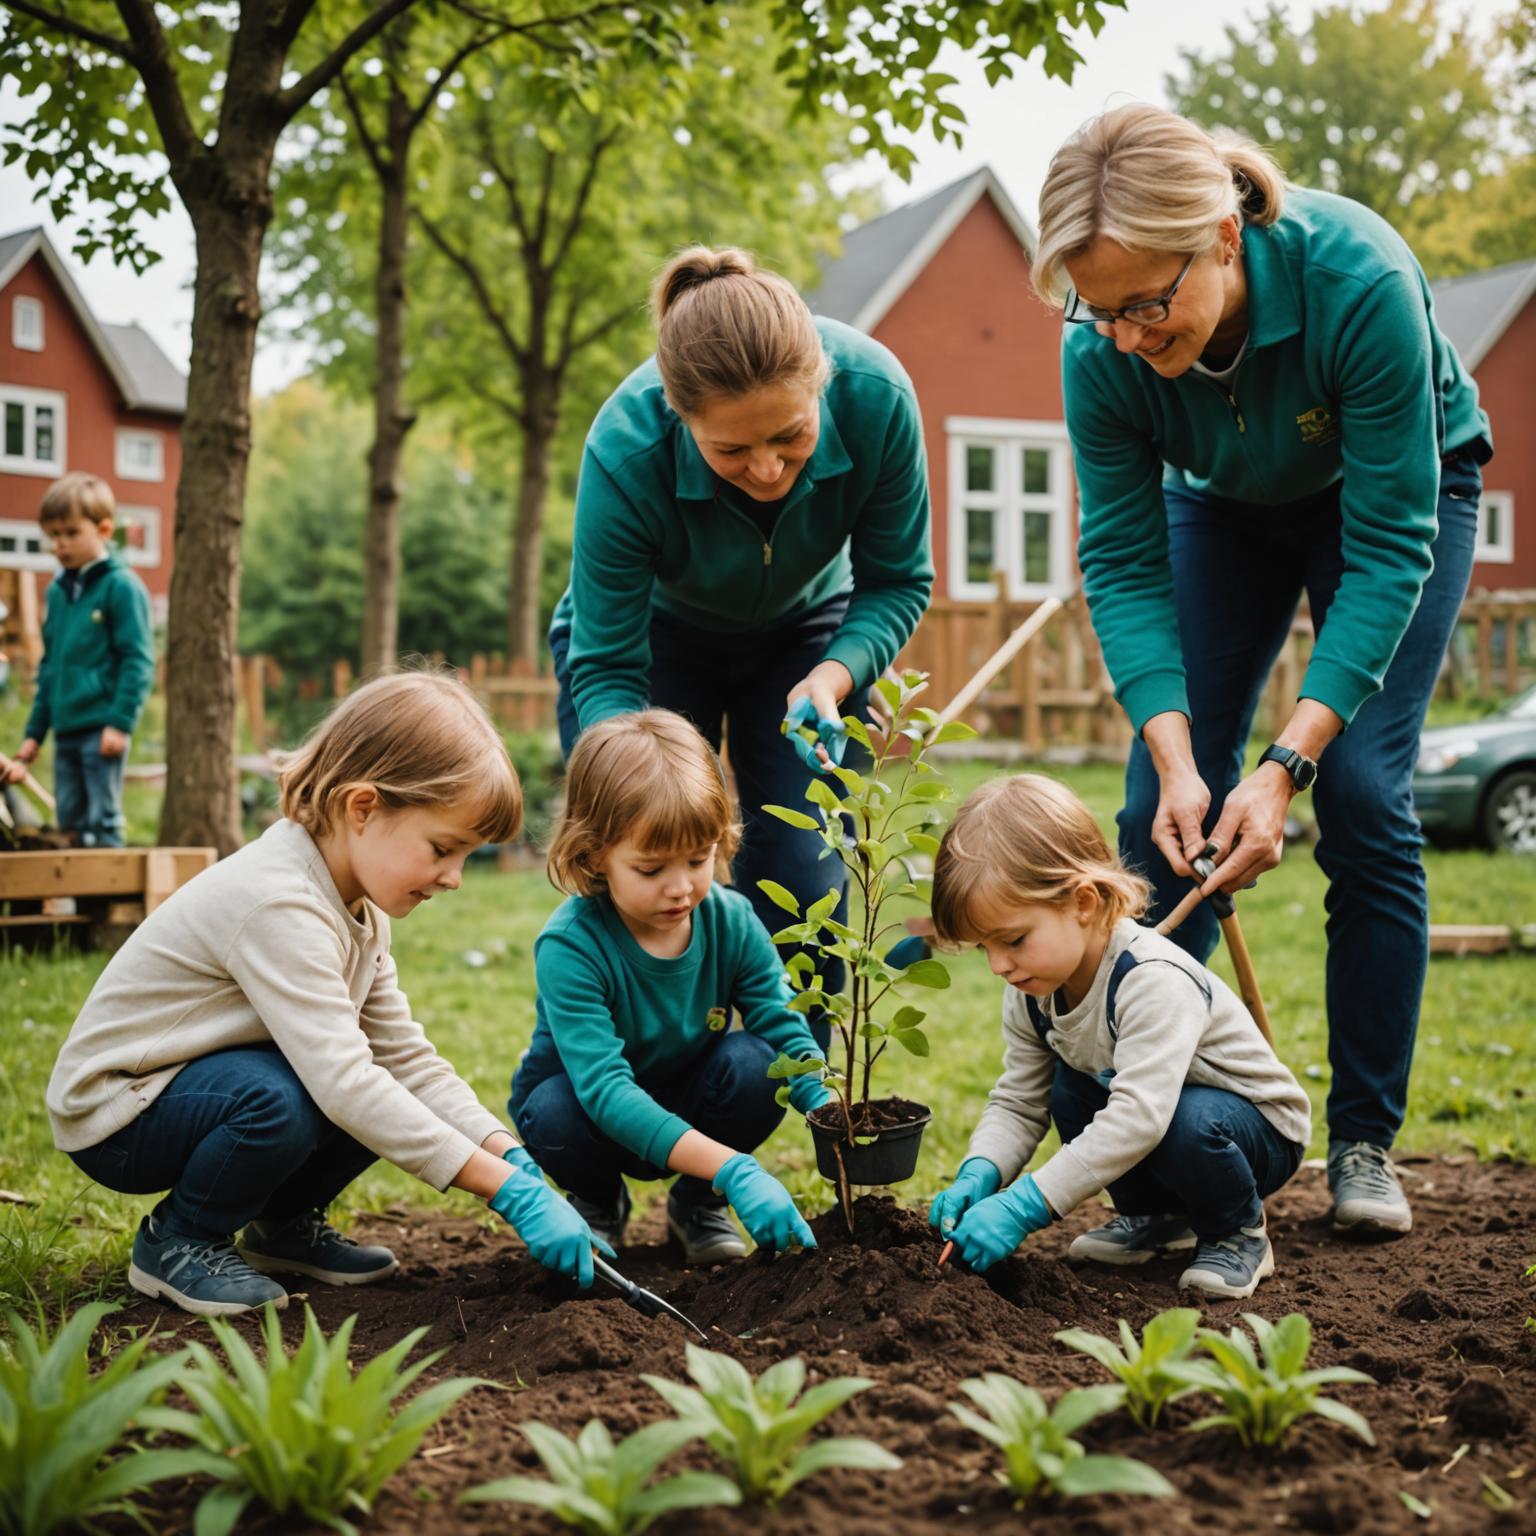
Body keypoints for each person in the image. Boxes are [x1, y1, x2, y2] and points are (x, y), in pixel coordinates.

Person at [1031, 104, 1493, 1238]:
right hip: (1221, 507)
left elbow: (1392, 547)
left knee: (1373, 797)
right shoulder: (1103, 349)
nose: (1129, 335)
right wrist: (1184, 758)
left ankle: (1364, 1143)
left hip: (1390, 504)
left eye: (1152, 302)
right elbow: (1124, 562)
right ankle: (1159, 1169)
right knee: (1154, 822)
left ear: (1224, 239)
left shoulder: (1359, 279)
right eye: (1103, 310)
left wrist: (1285, 766)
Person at [47, 672, 606, 1317]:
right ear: (362, 807)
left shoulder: (359, 909)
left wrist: (507, 1155)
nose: (454, 878)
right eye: (443, 849)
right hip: (120, 1109)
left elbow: (406, 1062)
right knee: (286, 1100)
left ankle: (281, 1227)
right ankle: (179, 1240)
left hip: (196, 1091)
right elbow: (344, 1083)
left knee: (382, 1092)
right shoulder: (280, 900)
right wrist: (504, 1193)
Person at [550, 247, 934, 1040]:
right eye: (730, 450)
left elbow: (897, 580)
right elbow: (608, 663)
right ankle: (630, 1094)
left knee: (807, 879)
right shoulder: (624, 450)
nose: (767, 469)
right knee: (645, 877)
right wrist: (632, 779)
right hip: (650, 641)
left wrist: (832, 678)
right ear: (680, 417)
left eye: (791, 436)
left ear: (822, 382)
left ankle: (779, 1091)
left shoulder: (879, 396)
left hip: (807, 635)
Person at [927, 774, 1311, 1299]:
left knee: (1180, 1120)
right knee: (1071, 1088)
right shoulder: (1032, 986)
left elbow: (1139, 1117)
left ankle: (1237, 1232)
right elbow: (1020, 1100)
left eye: (1013, 940)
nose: (997, 965)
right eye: (983, 949)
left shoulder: (1150, 979)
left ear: (1083, 902)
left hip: (1255, 1131)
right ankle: (1156, 1219)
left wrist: (1026, 1206)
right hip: (1163, 1117)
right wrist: (982, 1171)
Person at [510, 709, 832, 1265]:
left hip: (694, 1098)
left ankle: (696, 1205)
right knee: (551, 1113)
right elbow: (606, 1092)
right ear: (594, 856)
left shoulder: (731, 921)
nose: (680, 887)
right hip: (592, 1115)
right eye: (652, 868)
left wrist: (827, 1109)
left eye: (697, 858)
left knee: (759, 1068)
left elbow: (782, 1027)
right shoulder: (572, 946)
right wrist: (734, 1168)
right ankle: (596, 1201)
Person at [5, 473, 155, 847]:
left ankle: (109, 899)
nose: (60, 544)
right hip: (66, 730)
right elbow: (50, 668)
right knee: (69, 820)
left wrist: (120, 723)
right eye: (53, 535)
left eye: (71, 533)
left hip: (102, 729)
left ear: (103, 529)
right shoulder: (58, 592)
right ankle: (79, 900)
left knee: (101, 819)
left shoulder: (121, 587)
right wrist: (34, 735)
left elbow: (137, 660)